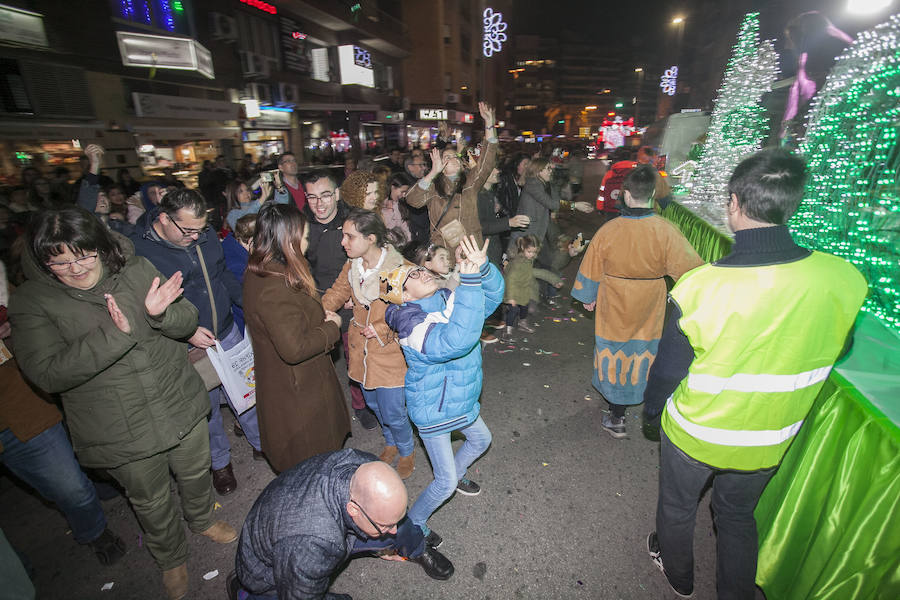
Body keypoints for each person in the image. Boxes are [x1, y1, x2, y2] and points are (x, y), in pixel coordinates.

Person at [643, 148, 867, 599]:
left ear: (733, 203)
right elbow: (839, 348)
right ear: (791, 205)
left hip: (696, 432)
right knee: (736, 516)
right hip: (769, 436)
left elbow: (667, 373)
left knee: (678, 507)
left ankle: (680, 575)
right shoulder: (843, 278)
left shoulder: (701, 287)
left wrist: (651, 416)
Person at [9, 207, 236, 600]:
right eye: (60, 262)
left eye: (83, 256)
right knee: (149, 500)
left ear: (99, 246)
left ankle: (201, 519)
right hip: (117, 424)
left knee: (197, 470)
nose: (76, 269)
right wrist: (118, 334)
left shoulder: (135, 268)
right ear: (44, 261)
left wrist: (162, 314)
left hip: (175, 397)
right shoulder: (33, 301)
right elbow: (46, 373)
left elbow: (185, 319)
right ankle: (171, 558)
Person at [130, 189, 263, 496]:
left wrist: (247, 304)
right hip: (188, 342)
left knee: (245, 390)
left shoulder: (205, 236)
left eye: (200, 230)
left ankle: (259, 441)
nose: (195, 236)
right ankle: (220, 463)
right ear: (164, 219)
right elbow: (145, 308)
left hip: (226, 328)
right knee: (207, 408)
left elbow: (221, 276)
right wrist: (187, 331)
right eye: (187, 230)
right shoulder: (142, 252)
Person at [0, 261, 126, 566]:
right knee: (65, 486)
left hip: (19, 404)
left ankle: (94, 514)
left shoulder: (16, 294)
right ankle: (91, 529)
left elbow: (33, 322)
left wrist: (12, 326)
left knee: (71, 482)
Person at [382, 235, 503, 543]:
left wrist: (482, 268)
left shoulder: (448, 299)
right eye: (412, 276)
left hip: (459, 400)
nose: (422, 272)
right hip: (435, 410)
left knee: (481, 439)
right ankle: (414, 524)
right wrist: (470, 281)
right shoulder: (411, 325)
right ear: (404, 296)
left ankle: (458, 472)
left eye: (419, 269)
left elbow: (490, 300)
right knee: (444, 482)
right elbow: (456, 340)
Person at [571, 164, 702, 439]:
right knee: (642, 350)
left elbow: (591, 264)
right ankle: (641, 406)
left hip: (614, 299)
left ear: (626, 195)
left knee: (613, 348)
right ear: (653, 194)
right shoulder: (667, 230)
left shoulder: (609, 230)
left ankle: (616, 414)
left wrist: (587, 296)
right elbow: (692, 271)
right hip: (649, 300)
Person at [230, 449, 453, 599]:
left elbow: (390, 522)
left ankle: (418, 549)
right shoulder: (310, 543)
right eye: (385, 527)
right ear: (354, 510)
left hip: (304, 525)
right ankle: (243, 592)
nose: (392, 531)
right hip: (268, 570)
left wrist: (389, 528)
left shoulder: (362, 463)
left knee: (399, 526)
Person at [243, 203, 350, 473]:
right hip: (299, 394)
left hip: (298, 384)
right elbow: (294, 348)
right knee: (313, 465)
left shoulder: (266, 270)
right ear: (285, 241)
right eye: (303, 237)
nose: (307, 241)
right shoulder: (274, 287)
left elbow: (295, 313)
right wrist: (332, 327)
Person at [321, 209, 416, 479]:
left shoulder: (401, 269)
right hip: (361, 351)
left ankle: (407, 450)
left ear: (371, 238)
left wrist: (383, 328)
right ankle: (390, 442)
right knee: (373, 404)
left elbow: (414, 312)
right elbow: (337, 292)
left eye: (349, 236)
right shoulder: (353, 265)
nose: (343, 242)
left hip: (390, 353)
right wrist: (315, 314)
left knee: (394, 410)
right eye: (343, 236)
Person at [303, 171, 377, 431]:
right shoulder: (302, 227)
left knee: (356, 357)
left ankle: (361, 405)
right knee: (317, 363)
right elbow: (301, 269)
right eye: (312, 197)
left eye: (325, 195)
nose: (319, 204)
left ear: (336, 194)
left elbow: (371, 261)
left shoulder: (354, 221)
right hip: (318, 303)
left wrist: (356, 293)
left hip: (352, 305)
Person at [405, 102, 498, 253]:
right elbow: (412, 200)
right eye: (447, 157)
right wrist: (432, 173)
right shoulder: (433, 187)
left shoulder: (470, 182)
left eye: (455, 156)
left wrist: (489, 124)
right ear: (440, 165)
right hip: (444, 252)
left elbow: (487, 161)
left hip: (471, 249)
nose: (453, 158)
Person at [501, 235, 562, 340]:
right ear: (523, 249)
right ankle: (508, 331)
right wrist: (511, 297)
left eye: (534, 252)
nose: (532, 255)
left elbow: (534, 273)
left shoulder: (528, 260)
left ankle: (522, 323)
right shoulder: (517, 263)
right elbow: (510, 281)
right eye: (530, 252)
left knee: (524, 307)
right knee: (513, 311)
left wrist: (554, 280)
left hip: (523, 291)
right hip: (512, 291)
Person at [477, 167, 530, 268]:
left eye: (497, 168)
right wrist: (508, 223)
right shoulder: (477, 196)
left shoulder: (490, 193)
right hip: (484, 250)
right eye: (492, 168)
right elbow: (480, 226)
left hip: (492, 247)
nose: (498, 171)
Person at [510, 158, 559, 250]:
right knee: (520, 261)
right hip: (526, 234)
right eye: (548, 168)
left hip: (532, 231)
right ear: (538, 171)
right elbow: (553, 204)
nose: (551, 171)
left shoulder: (538, 183)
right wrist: (575, 205)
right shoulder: (533, 185)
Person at [221, 214, 256, 333]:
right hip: (243, 327)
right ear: (252, 241)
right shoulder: (237, 266)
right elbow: (245, 304)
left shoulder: (230, 246)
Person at [381, 172, 413, 246]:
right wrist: (389, 211)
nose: (403, 195)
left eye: (405, 192)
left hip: (401, 243)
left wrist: (409, 242)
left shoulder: (399, 204)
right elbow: (388, 227)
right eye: (402, 192)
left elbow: (404, 225)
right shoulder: (382, 205)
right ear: (393, 187)